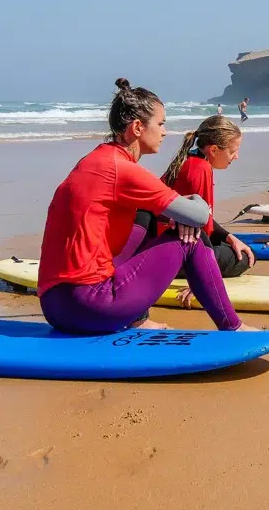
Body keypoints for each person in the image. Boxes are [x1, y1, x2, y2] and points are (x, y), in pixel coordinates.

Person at [36, 79, 252, 335]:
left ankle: (139, 319)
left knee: (149, 213)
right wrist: (193, 206)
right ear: (138, 127)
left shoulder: (95, 159)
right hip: (91, 304)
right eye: (160, 123)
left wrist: (180, 216)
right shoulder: (122, 170)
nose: (165, 131)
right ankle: (233, 327)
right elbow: (200, 214)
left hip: (55, 306)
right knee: (192, 237)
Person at [157, 115, 256, 308]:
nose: (236, 157)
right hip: (173, 253)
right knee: (245, 257)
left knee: (236, 247)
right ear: (214, 149)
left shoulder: (190, 160)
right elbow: (196, 228)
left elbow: (203, 217)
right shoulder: (200, 169)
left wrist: (229, 237)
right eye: (233, 151)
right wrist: (201, 280)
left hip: (167, 244)